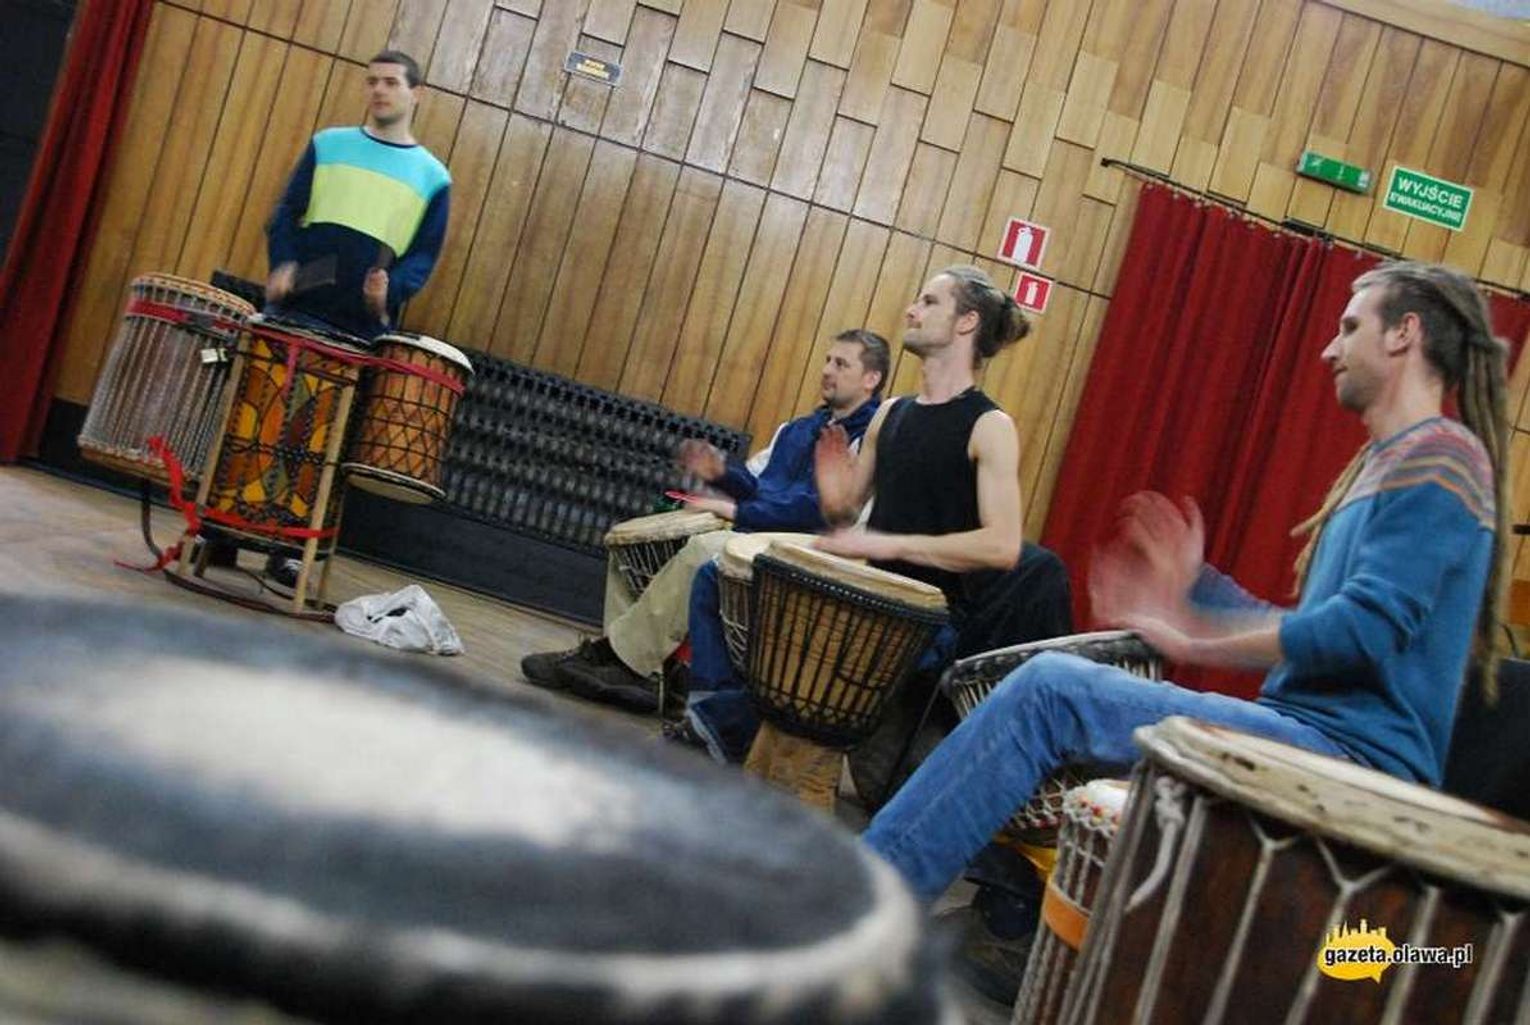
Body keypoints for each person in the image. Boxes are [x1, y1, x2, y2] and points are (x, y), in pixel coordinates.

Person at [861, 261, 1509, 1000]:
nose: (1330, 348)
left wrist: (1197, 638)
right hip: (1311, 735)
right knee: (1053, 696)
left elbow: (1358, 633)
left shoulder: (1441, 458)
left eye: (1350, 327)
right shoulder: (1390, 463)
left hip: (1354, 760)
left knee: (1050, 691)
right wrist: (1197, 586)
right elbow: (1321, 630)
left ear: (1405, 333)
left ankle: (860, 916)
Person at [519, 330, 890, 713]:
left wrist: (737, 513)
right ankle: (644, 673)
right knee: (630, 542)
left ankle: (618, 659)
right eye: (827, 360)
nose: (827, 370)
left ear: (871, 378)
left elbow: (816, 513)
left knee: (705, 548)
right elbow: (759, 485)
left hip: (800, 551)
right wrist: (721, 473)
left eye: (841, 364)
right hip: (753, 532)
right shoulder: (797, 428)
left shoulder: (867, 442)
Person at [265, 50, 450, 342]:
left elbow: (423, 255)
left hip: (360, 329)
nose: (379, 90)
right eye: (372, 81)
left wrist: (390, 291)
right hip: (294, 309)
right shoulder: (327, 144)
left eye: (391, 82)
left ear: (417, 94)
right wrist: (283, 262)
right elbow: (286, 212)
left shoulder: (433, 177)